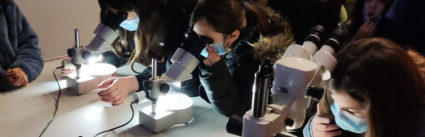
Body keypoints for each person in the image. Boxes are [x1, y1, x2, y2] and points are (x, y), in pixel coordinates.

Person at [303, 38, 425, 137]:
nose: (338, 115)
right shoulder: (346, 94)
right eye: (336, 103)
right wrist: (314, 130)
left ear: (385, 108)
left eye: (351, 112)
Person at [192, 0, 294, 117]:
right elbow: (190, 89)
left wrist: (214, 72)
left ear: (233, 36)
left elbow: (242, 110)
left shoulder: (258, 60)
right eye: (195, 35)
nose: (199, 43)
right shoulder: (219, 44)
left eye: (206, 40)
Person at [95, 0, 200, 106]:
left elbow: (175, 70)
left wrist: (133, 82)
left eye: (123, 16)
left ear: (141, 8)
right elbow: (123, 48)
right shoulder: (115, 10)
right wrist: (104, 57)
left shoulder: (176, 17)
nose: (120, 21)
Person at [0, 0, 44, 92]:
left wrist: (22, 69)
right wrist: (4, 78)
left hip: (13, 95)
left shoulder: (9, 7)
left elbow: (29, 45)